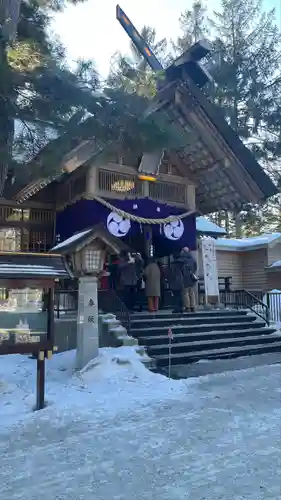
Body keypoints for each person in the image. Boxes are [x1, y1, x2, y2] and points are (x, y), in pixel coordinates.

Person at [181, 247, 197, 312]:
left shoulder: (182, 259)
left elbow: (181, 269)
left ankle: (187, 307)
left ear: (183, 251)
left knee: (186, 293)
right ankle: (193, 306)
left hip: (185, 278)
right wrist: (192, 272)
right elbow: (195, 268)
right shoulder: (193, 259)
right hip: (192, 278)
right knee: (191, 293)